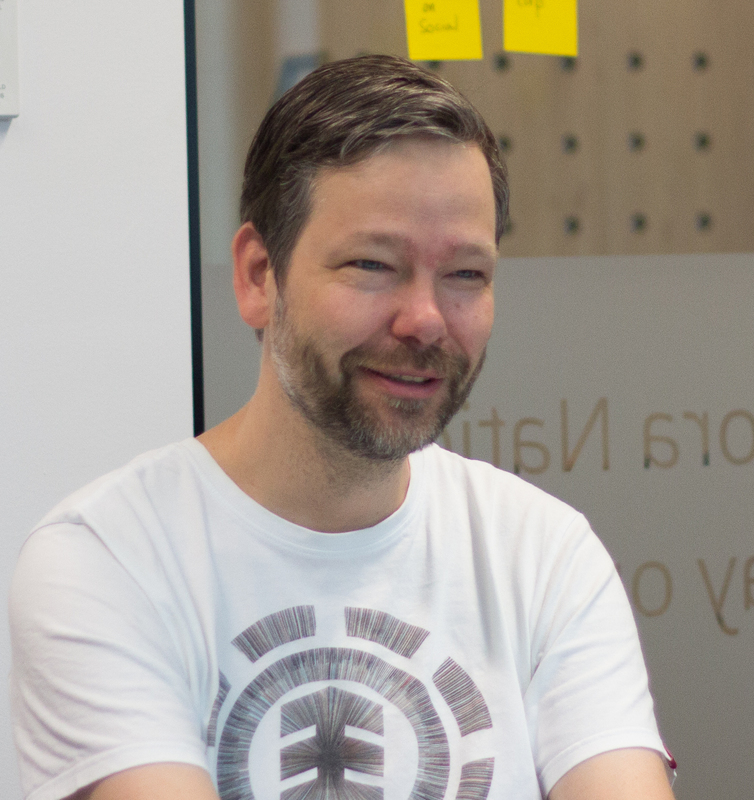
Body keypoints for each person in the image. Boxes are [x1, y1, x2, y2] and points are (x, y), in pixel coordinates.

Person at [10, 55, 676, 800]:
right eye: (372, 264)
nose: (425, 320)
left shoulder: (542, 555)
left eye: (466, 274)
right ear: (259, 276)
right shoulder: (111, 559)